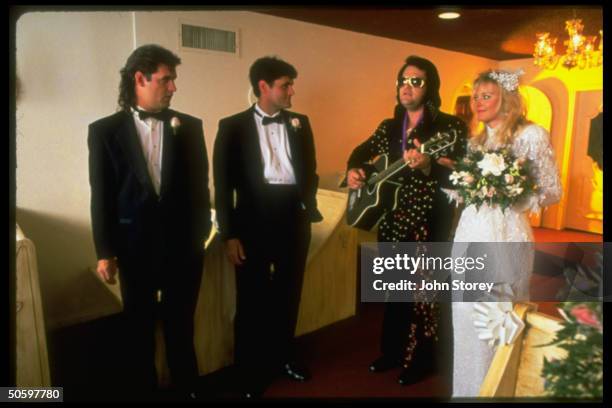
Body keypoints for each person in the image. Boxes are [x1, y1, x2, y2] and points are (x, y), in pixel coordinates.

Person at [88, 44, 211, 400]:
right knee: (138, 325)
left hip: (184, 246)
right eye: (166, 79)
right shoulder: (104, 131)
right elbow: (102, 195)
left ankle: (189, 389)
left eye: (173, 79)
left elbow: (199, 186)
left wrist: (200, 233)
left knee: (181, 323)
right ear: (139, 79)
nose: (173, 87)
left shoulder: (189, 126)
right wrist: (105, 250)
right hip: (133, 244)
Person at [346, 55, 467, 386]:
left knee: (424, 297)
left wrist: (429, 165)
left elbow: (462, 174)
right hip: (393, 218)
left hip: (429, 218)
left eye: (416, 81)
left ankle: (424, 361)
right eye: (403, 80)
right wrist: (355, 172)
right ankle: (393, 352)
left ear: (430, 88)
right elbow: (360, 153)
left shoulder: (448, 127)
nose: (407, 86)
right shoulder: (388, 126)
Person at [213, 56, 322, 398]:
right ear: (263, 87)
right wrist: (230, 234)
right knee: (252, 298)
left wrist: (307, 206)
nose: (292, 91)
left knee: (289, 293)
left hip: (293, 218)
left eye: (291, 84)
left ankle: (284, 357)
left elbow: (311, 171)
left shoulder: (301, 122)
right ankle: (250, 369)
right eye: (285, 84)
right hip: (252, 222)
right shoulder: (231, 126)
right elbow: (223, 183)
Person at [450, 69, 562, 397]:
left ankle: (497, 389)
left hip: (506, 232)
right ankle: (467, 390)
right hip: (471, 231)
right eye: (475, 96)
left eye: (486, 96)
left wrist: (513, 192)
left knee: (498, 315)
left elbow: (552, 190)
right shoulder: (477, 140)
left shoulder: (532, 135)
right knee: (465, 312)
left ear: (507, 99)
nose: (477, 102)